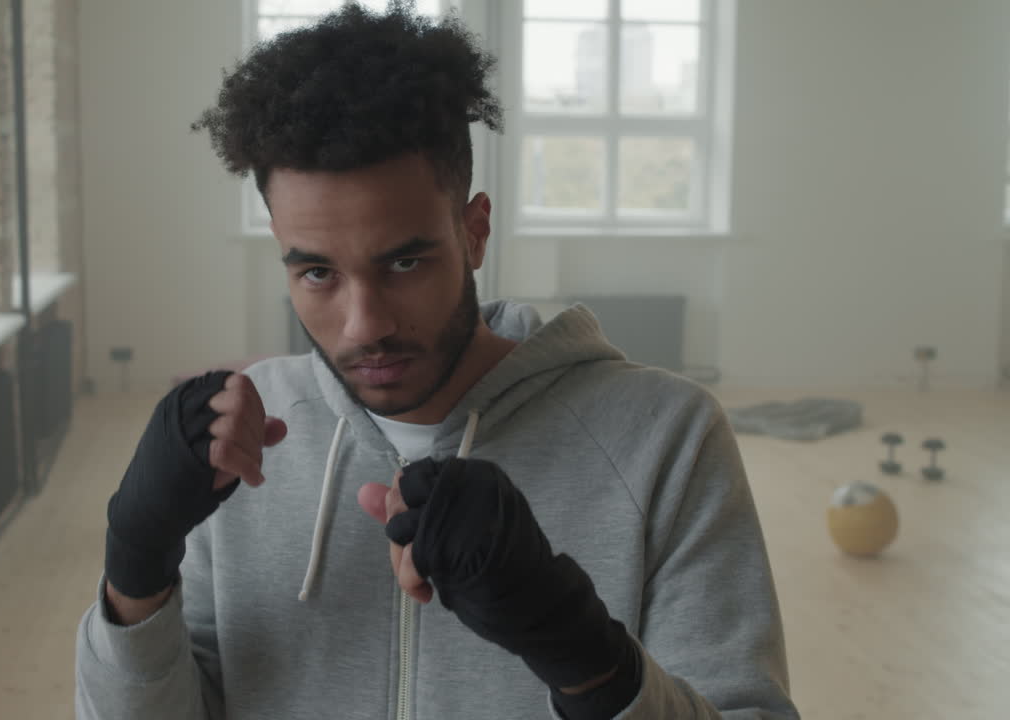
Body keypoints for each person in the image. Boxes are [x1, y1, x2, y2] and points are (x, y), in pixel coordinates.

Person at [75, 3, 800, 719]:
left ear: (475, 231)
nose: (366, 325)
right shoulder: (241, 447)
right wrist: (134, 576)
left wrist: (588, 661)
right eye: (318, 273)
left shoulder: (664, 438)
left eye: (405, 261)